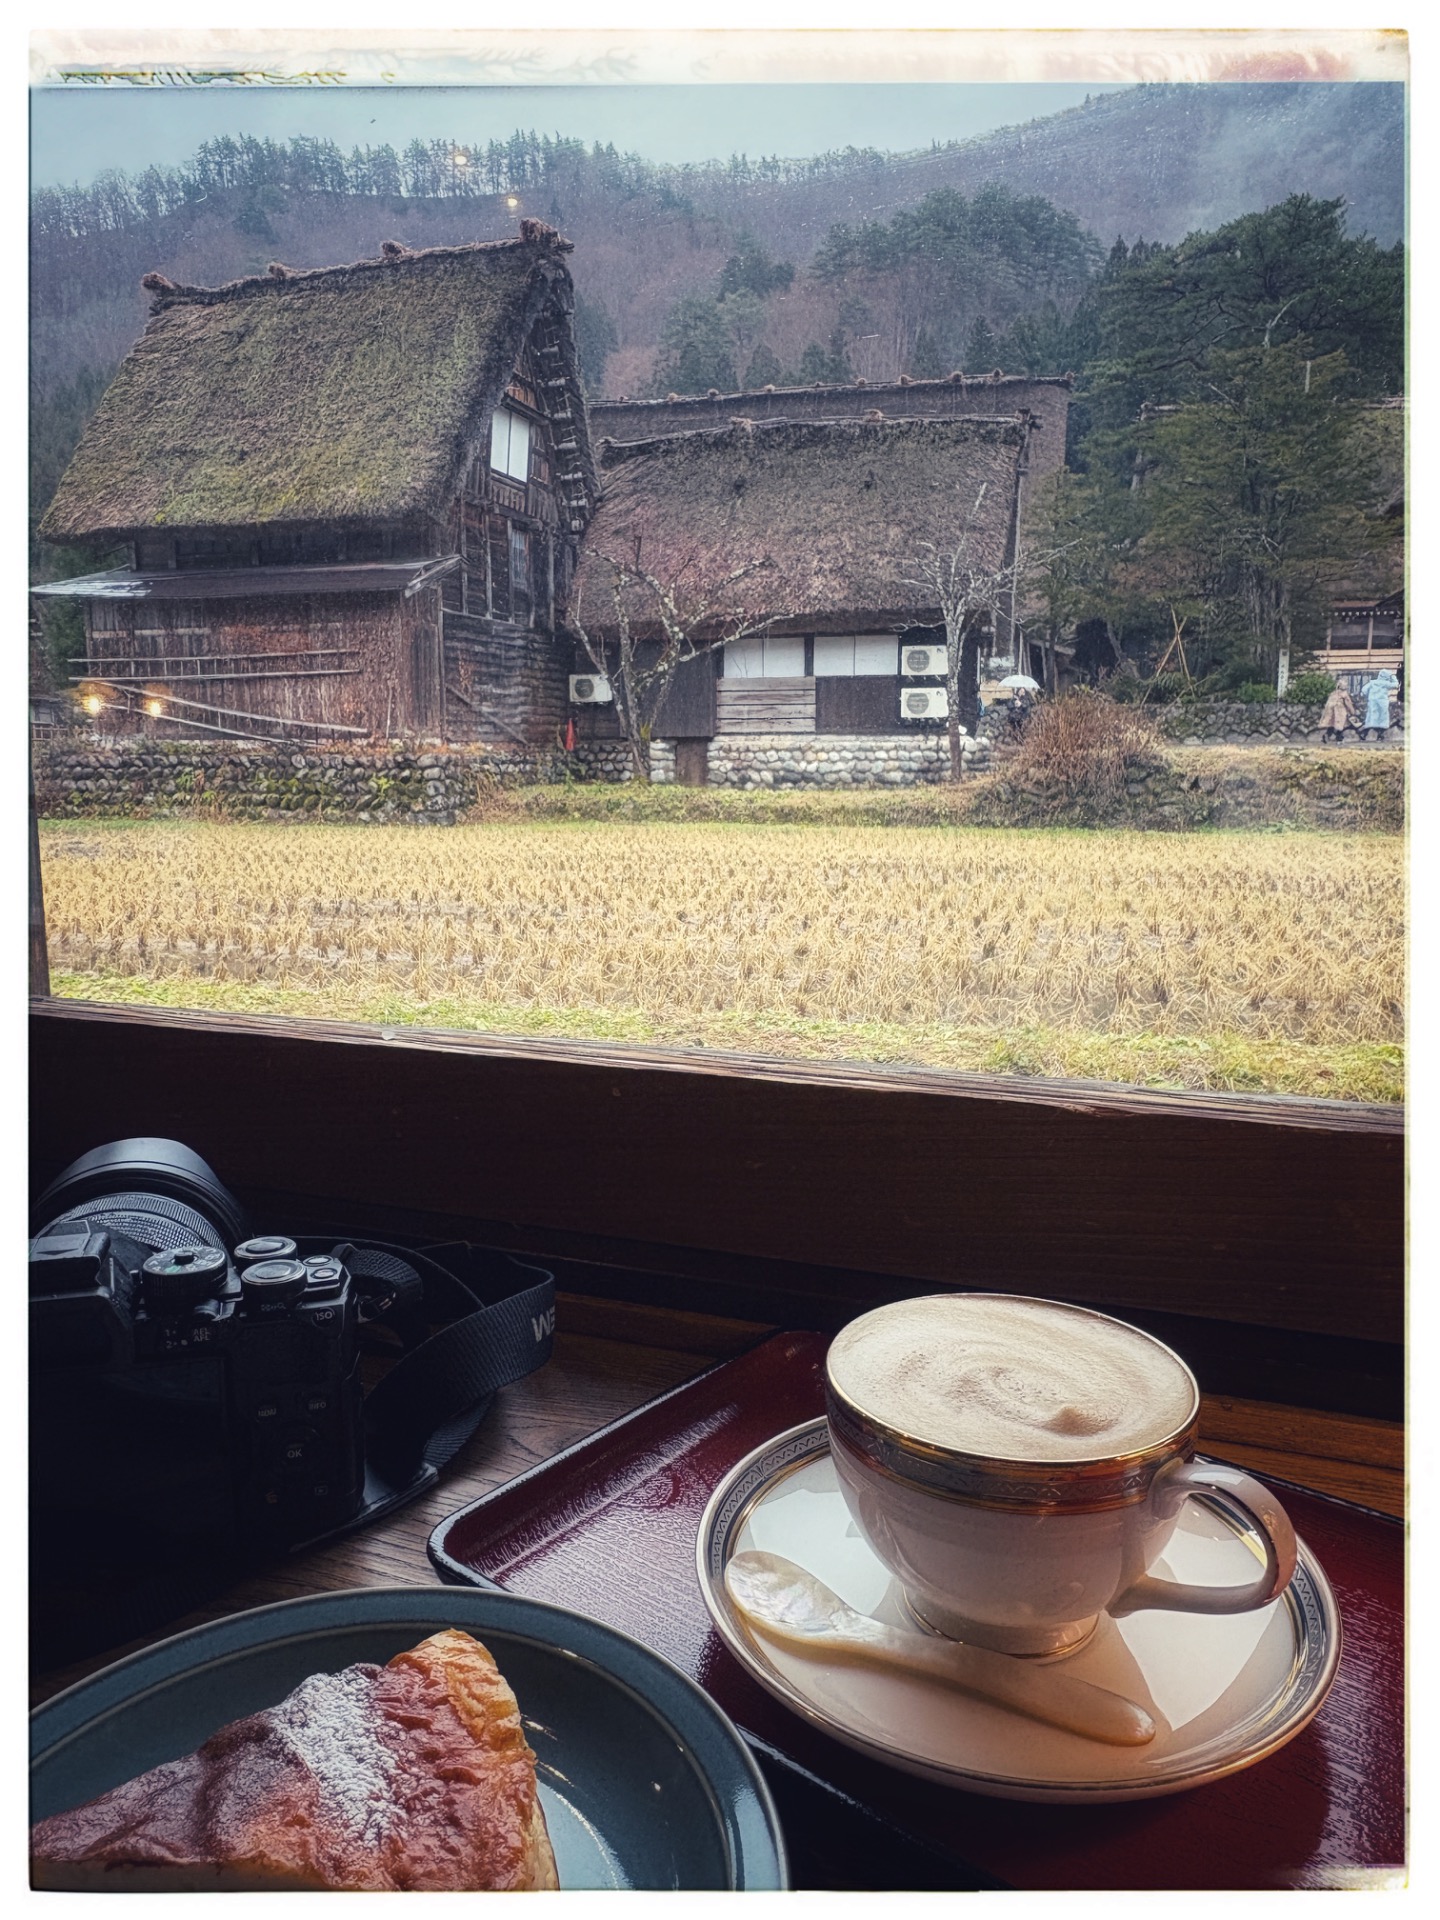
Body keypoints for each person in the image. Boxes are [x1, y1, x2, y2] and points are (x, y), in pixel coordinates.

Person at [1360, 668, 1399, 742]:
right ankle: (1380, 736)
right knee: (1382, 720)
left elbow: (1364, 690)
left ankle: (1364, 734)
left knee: (1371, 719)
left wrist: (1368, 696)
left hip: (1372, 702)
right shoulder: (1385, 683)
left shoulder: (1372, 682)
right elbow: (1396, 685)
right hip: (1382, 703)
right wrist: (1393, 676)